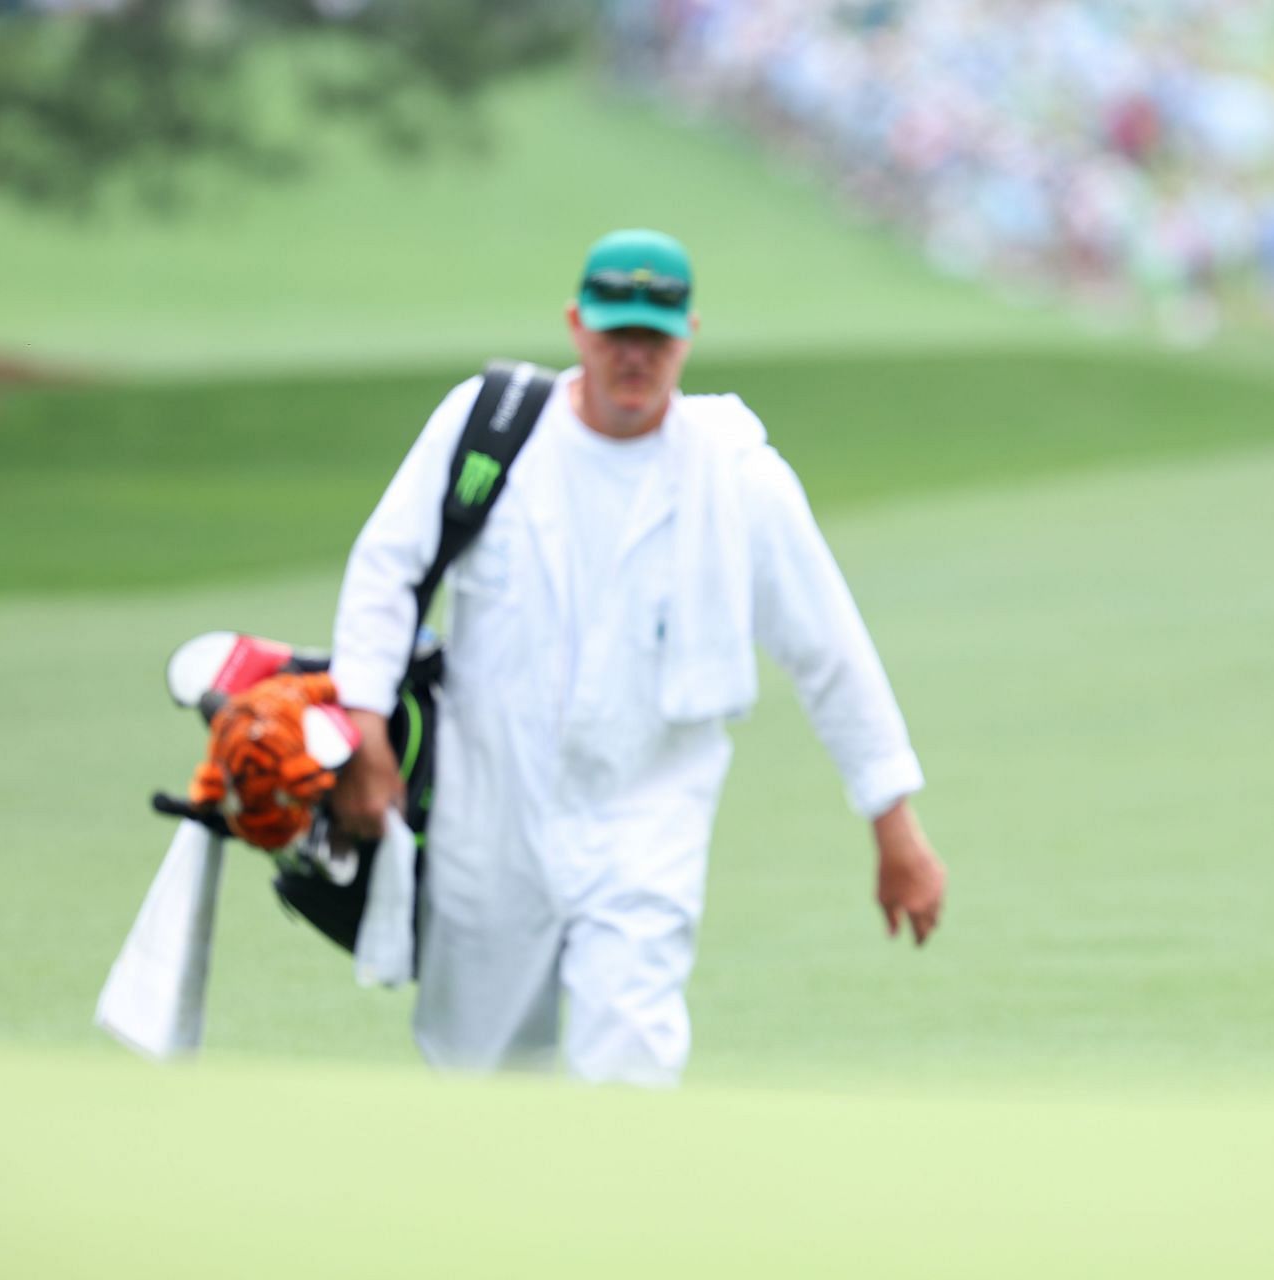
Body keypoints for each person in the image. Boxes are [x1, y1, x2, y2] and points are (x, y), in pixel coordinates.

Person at [327, 228, 946, 1084]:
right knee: (477, 1074)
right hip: (491, 809)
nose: (635, 356)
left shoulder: (740, 480)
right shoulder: (490, 431)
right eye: (617, 333)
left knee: (630, 1061)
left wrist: (895, 826)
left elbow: (828, 649)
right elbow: (385, 571)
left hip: (647, 819)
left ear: (688, 335)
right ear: (578, 326)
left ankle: (613, 1214)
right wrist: (361, 726)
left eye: (654, 337)